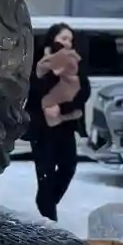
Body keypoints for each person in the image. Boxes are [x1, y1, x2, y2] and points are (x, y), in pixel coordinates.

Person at [28, 23, 90, 223]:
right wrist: (46, 74)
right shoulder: (39, 62)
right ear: (52, 38)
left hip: (65, 124)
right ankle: (49, 219)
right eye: (63, 38)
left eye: (70, 40)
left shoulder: (74, 63)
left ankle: (45, 203)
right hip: (42, 127)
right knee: (45, 173)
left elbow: (84, 91)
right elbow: (31, 91)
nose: (67, 43)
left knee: (68, 167)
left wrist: (62, 109)